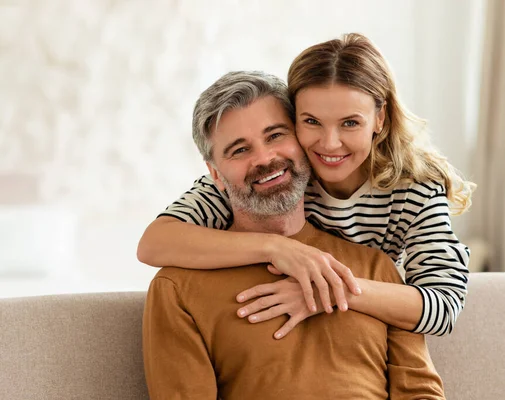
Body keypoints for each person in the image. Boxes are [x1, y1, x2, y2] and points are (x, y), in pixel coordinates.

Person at [138, 33, 475, 339]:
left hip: (366, 324)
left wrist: (322, 289)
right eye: (312, 122)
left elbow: (443, 307)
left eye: (350, 123)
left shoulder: (413, 188)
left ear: (380, 119)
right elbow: (153, 244)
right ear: (295, 117)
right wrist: (276, 247)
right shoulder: (283, 173)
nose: (330, 144)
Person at [142, 70, 445, 399]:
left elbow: (421, 392)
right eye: (239, 150)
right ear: (215, 173)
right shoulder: (177, 289)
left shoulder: (376, 268)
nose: (265, 159)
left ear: (301, 139)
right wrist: (274, 248)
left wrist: (337, 290)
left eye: (275, 136)